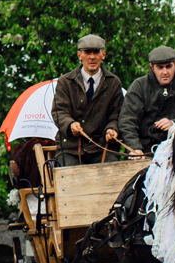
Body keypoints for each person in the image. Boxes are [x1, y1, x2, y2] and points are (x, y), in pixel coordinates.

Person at [50, 34, 124, 166]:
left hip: (102, 147)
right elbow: (59, 112)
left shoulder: (114, 82)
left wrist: (112, 129)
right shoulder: (65, 82)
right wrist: (70, 124)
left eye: (96, 52)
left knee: (113, 177)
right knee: (68, 179)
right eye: (87, 52)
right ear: (79, 55)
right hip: (70, 148)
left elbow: (116, 114)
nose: (92, 57)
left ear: (103, 54)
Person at [120, 45, 175, 158]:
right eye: (160, 67)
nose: (165, 72)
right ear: (152, 67)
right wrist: (134, 147)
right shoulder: (139, 86)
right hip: (144, 151)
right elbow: (128, 120)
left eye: (169, 67)